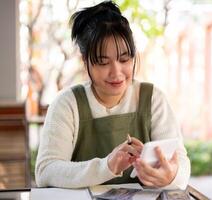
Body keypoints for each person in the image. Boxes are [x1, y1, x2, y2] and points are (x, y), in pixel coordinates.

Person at [35, 0, 190, 190]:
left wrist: (170, 175)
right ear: (85, 61)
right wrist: (107, 166)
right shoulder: (67, 104)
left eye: (124, 59)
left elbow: (180, 163)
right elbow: (46, 171)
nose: (116, 72)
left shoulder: (152, 99)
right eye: (102, 62)